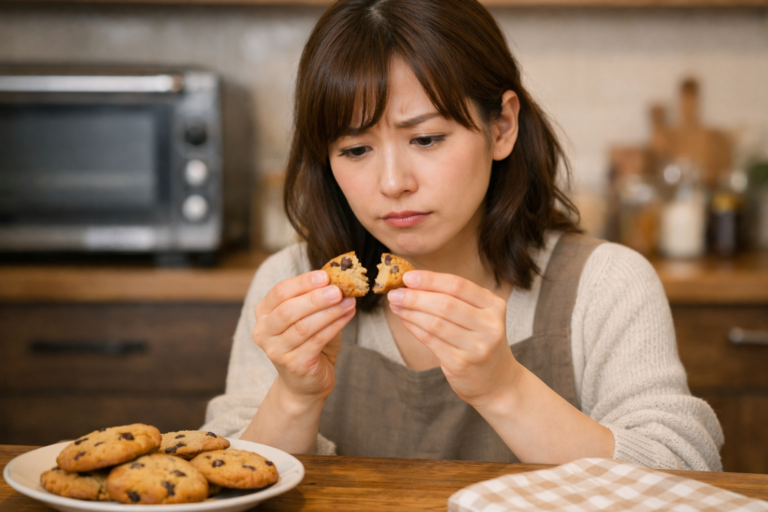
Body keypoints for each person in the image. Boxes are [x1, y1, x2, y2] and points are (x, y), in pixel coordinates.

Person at [203, 0, 723, 470]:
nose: (392, 183)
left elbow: (687, 474)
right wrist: (294, 397)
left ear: (502, 128)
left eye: (426, 138)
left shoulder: (606, 284)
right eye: (355, 150)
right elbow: (219, 477)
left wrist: (504, 386)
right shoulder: (291, 281)